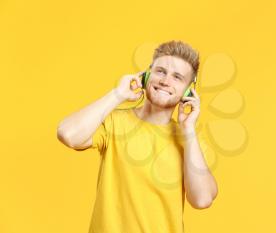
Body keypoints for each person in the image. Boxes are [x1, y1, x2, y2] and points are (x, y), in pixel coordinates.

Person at [57, 40, 218, 233]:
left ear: (188, 90)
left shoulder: (190, 142)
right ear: (146, 75)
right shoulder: (115, 121)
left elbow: (202, 199)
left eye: (177, 77)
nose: (165, 81)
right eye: (160, 71)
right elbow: (68, 134)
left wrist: (189, 130)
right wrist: (118, 94)